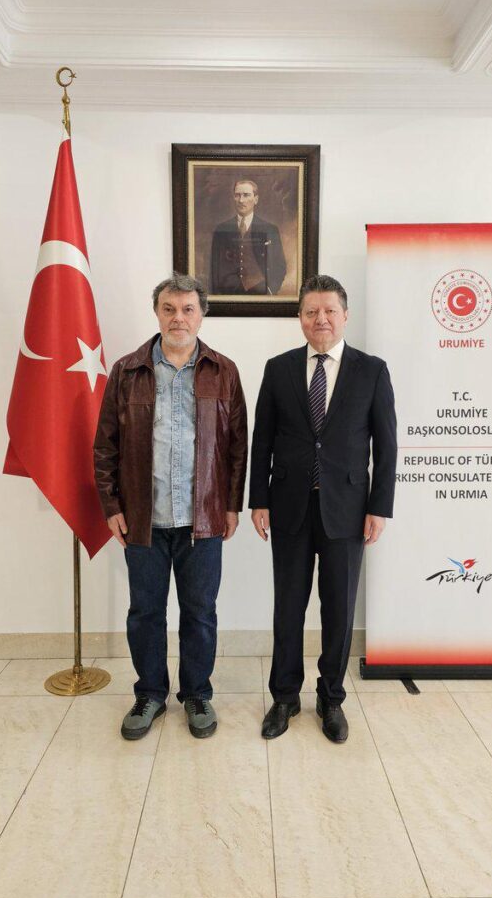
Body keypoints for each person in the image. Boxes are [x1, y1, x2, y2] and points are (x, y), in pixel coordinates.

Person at [94, 273, 247, 741]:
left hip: (203, 518)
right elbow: (105, 446)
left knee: (200, 612)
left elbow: (239, 446)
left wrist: (232, 505)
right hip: (144, 518)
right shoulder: (126, 370)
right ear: (156, 312)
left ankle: (197, 694)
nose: (178, 317)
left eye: (187, 309)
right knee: (145, 611)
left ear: (202, 314)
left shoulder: (224, 370)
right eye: (169, 308)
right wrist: (111, 505)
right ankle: (150, 694)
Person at [249, 274, 396, 744]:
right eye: (311, 311)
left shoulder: (371, 371)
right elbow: (262, 440)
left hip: (348, 511)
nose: (321, 319)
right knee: (288, 608)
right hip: (289, 507)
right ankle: (285, 697)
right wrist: (258, 500)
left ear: (345, 315)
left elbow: (387, 446)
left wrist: (380, 507)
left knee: (338, 609)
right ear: (300, 318)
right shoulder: (278, 368)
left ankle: (331, 698)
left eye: (330, 310)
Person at [210, 178, 286, 295]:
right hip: (228, 295)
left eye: (246, 195)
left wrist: (270, 290)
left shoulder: (270, 229)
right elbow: (214, 269)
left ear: (256, 199)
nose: (241, 200)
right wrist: (219, 297)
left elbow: (279, 265)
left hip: (259, 293)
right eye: (237, 195)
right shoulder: (221, 230)